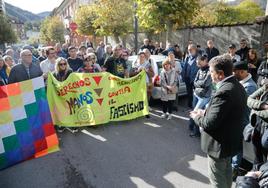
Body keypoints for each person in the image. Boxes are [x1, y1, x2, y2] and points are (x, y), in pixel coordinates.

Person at [190, 55, 247, 188]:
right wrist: (205, 112)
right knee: (226, 173)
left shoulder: (224, 91)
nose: (210, 75)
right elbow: (225, 113)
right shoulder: (237, 86)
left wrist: (196, 116)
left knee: (217, 180)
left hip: (219, 145)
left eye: (211, 72)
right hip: (229, 143)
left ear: (220, 74)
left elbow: (209, 123)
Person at [232, 61, 257, 180]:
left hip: (241, 121)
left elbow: (241, 105)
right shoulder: (240, 82)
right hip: (236, 120)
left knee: (237, 148)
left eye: (235, 72)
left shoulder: (250, 86)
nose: (233, 74)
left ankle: (234, 170)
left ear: (242, 72)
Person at [189, 54, 212, 138]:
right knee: (194, 110)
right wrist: (199, 84)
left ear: (205, 61)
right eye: (197, 63)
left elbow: (206, 83)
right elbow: (194, 81)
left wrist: (198, 83)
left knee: (197, 113)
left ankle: (196, 133)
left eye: (199, 63)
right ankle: (192, 127)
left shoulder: (210, 71)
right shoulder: (199, 70)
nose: (198, 64)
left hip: (204, 96)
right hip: (196, 94)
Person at [247, 84, 268, 171]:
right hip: (259, 125)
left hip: (266, 128)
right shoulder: (266, 86)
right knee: (257, 155)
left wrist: (255, 111)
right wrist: (263, 106)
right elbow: (249, 99)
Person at [52, 58, 76, 133]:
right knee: (61, 110)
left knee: (70, 109)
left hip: (69, 93)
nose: (63, 65)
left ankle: (72, 125)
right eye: (61, 64)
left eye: (64, 64)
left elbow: (73, 82)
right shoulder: (54, 74)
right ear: (57, 65)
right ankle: (62, 125)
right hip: (59, 94)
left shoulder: (70, 71)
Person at [130, 51, 154, 118]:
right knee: (138, 98)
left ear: (145, 57)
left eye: (143, 57)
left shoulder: (148, 65)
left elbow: (152, 74)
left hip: (146, 83)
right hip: (137, 84)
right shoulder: (135, 64)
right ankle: (138, 113)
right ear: (138, 57)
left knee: (145, 98)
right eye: (140, 56)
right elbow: (130, 74)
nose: (142, 58)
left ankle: (146, 112)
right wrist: (137, 71)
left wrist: (146, 71)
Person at [181, 44, 199, 109]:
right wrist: (183, 75)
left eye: (191, 49)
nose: (189, 51)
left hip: (195, 79)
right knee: (189, 93)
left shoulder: (198, 58)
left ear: (195, 50)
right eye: (188, 49)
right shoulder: (187, 57)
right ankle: (189, 106)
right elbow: (184, 67)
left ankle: (195, 107)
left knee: (195, 94)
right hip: (187, 78)